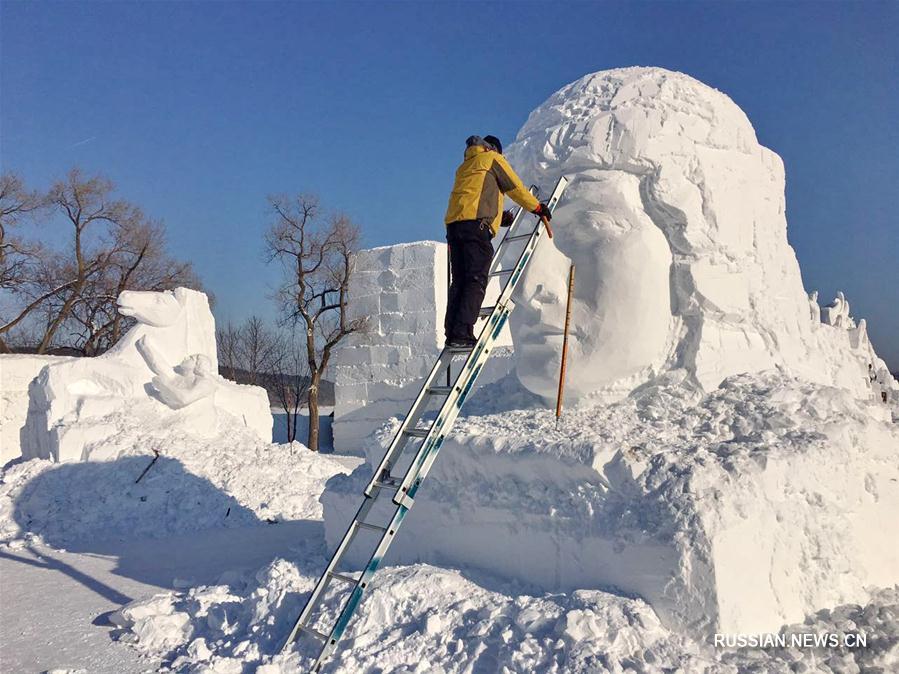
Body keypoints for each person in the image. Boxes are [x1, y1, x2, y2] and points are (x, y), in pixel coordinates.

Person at [442, 134, 553, 347]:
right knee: (475, 280)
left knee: (460, 281)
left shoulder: (465, 167)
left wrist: (499, 217)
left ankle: (452, 334)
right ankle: (463, 334)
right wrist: (537, 207)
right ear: (493, 149)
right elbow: (515, 188)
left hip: (455, 228)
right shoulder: (493, 159)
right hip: (476, 229)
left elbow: (473, 198)